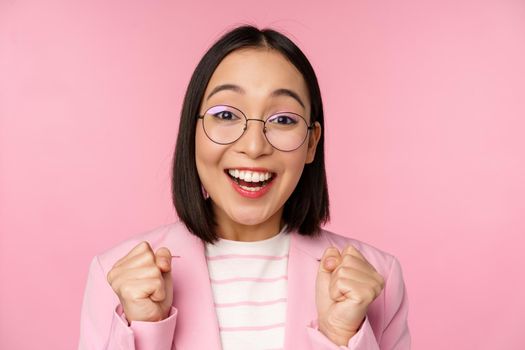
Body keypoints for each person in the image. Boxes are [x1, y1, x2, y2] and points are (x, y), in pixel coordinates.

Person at [78, 25, 410, 350]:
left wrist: (339, 336)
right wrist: (147, 332)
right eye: (225, 114)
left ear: (311, 143)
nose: (254, 146)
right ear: (190, 130)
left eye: (283, 120)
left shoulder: (377, 279)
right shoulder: (116, 275)